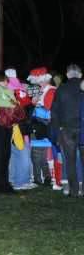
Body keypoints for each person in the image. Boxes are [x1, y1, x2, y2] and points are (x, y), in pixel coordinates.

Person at [51, 64, 83, 197]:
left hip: (67, 129)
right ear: (80, 75)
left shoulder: (61, 89)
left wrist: (57, 131)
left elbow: (54, 112)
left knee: (70, 161)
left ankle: (74, 191)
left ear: (67, 75)